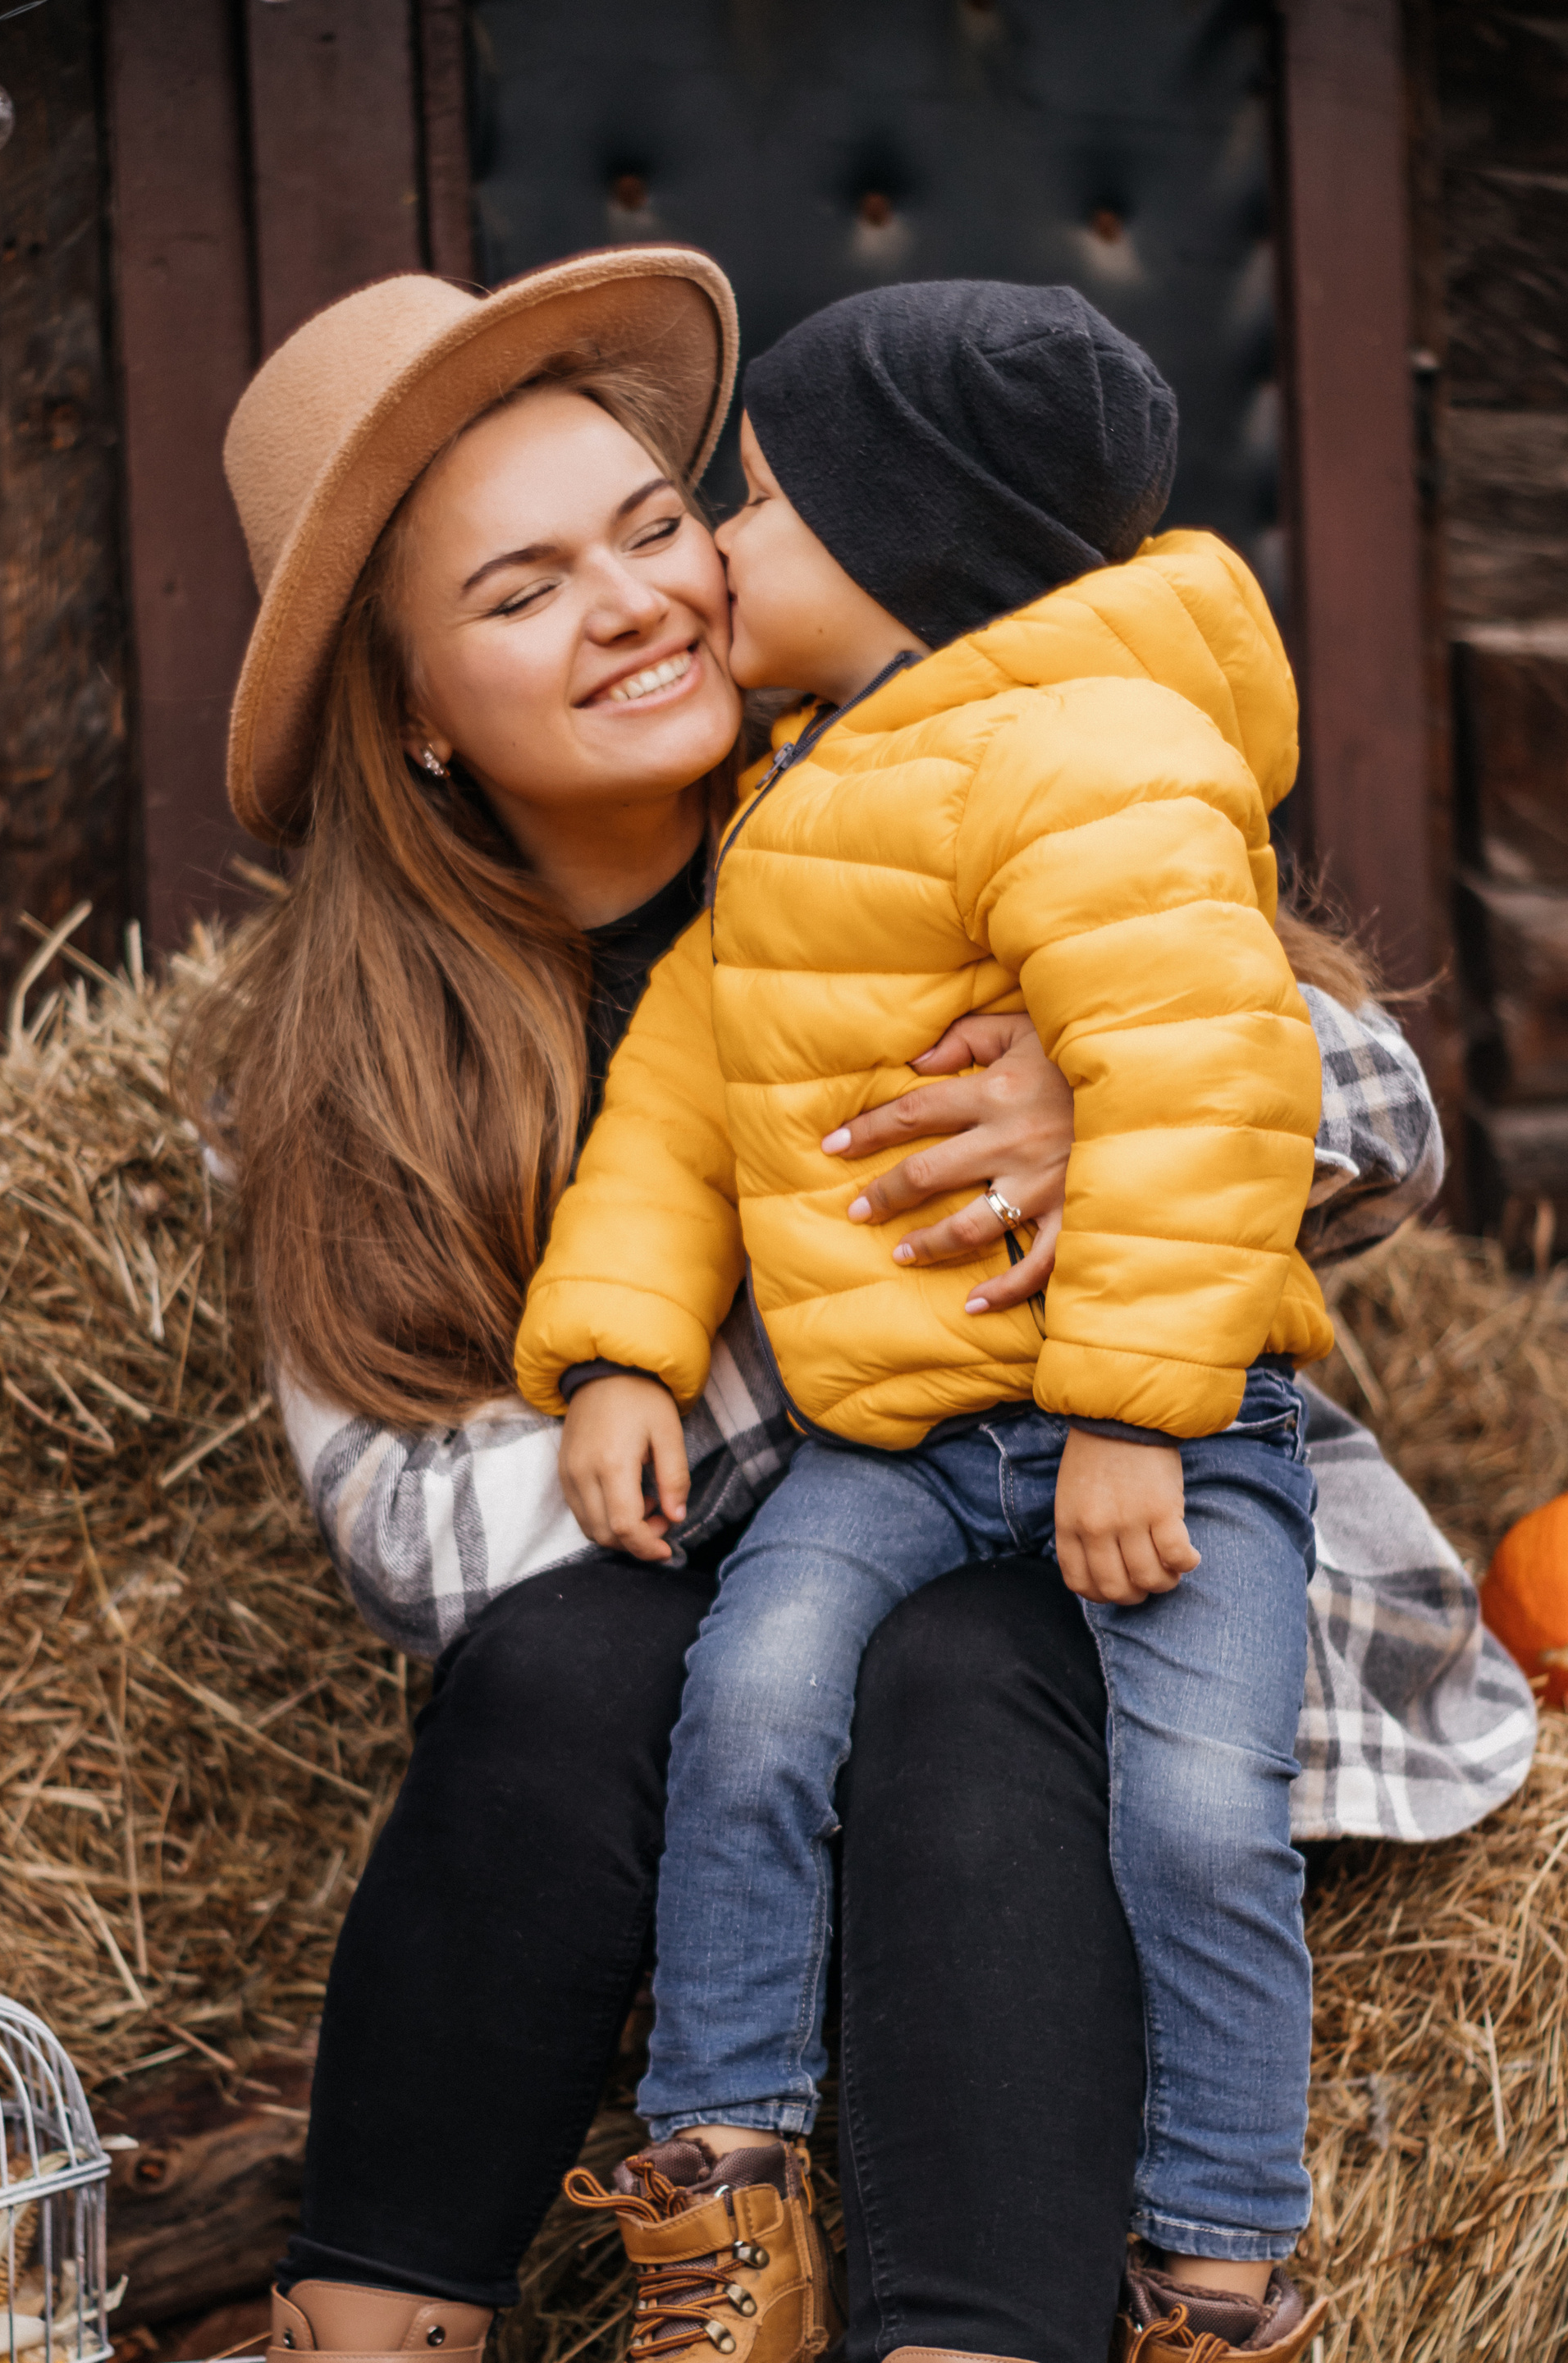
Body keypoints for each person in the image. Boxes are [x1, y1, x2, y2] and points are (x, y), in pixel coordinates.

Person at [185, 250, 1534, 2363]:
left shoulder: (927, 775)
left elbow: (1375, 1109)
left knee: (967, 1656)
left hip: (1084, 1611)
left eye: (658, 524)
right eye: (523, 592)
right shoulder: (369, 1064)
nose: (639, 600)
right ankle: (376, 2328)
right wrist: (817, 1316)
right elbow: (419, 1542)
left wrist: (1099, 1124)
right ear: (418, 715)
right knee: (572, 1651)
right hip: (714, 1745)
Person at [511, 284, 1361, 2359]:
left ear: (908, 543)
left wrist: (1134, 1413)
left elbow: (1209, 1087)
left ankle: (1219, 2269)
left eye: (759, 504)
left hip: (1167, 1432)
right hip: (894, 1444)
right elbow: (684, 1100)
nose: (720, 548)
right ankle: (725, 2181)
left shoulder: (1091, 757)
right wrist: (618, 1348)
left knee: (1200, 1816)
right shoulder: (798, 796)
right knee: (750, 1705)